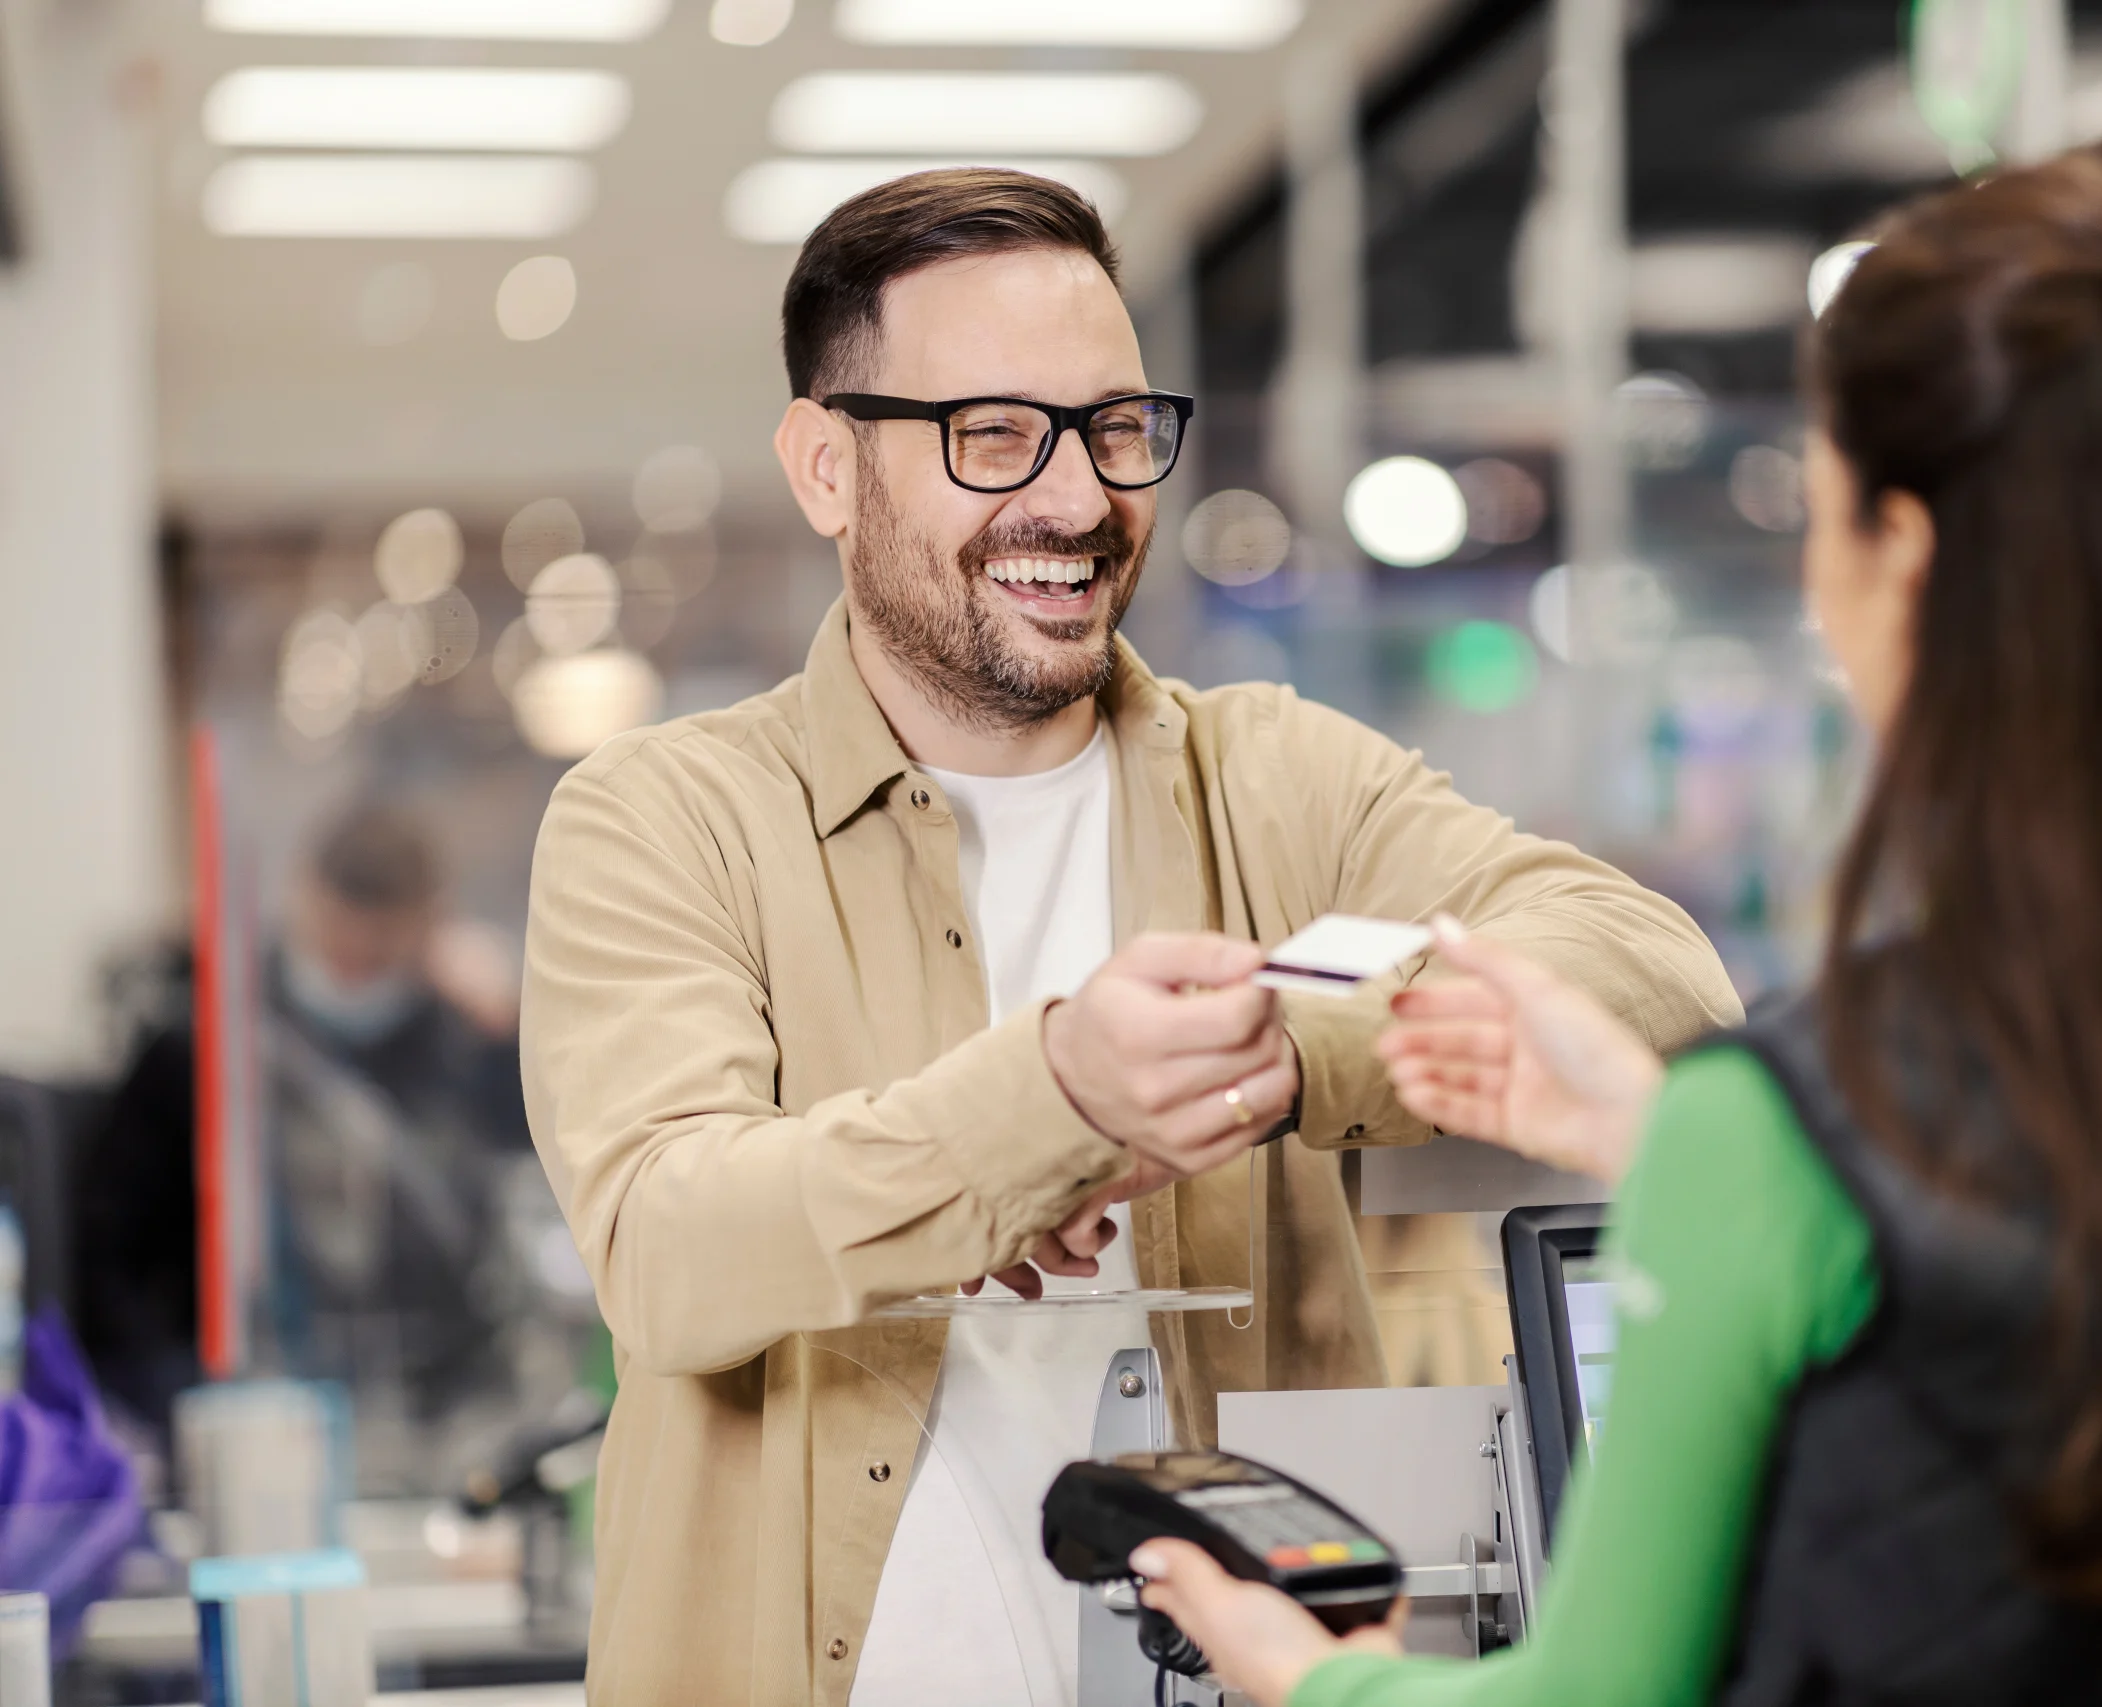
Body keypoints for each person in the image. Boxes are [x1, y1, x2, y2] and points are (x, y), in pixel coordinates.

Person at [1133, 139, 2102, 1707]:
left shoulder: (1787, 1138)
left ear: (1913, 556)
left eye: (1822, 512)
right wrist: (1659, 1136)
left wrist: (1308, 1670)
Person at [517, 167, 1740, 1707]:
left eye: (1111, 426)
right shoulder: (667, 817)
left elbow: (1655, 975)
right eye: (993, 434)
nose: (1080, 498)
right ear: (827, 467)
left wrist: (1291, 1049)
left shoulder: (1276, 778)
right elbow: (671, 1242)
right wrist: (1050, 1111)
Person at [79, 802, 529, 1437]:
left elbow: (518, 1192)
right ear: (304, 899)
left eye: (378, 957)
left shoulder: (454, 1048)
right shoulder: (205, 1041)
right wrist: (175, 1404)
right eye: (339, 947)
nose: (355, 972)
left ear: (429, 929)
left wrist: (506, 1032)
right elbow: (112, 1252)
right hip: (246, 1414)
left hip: (429, 1422)